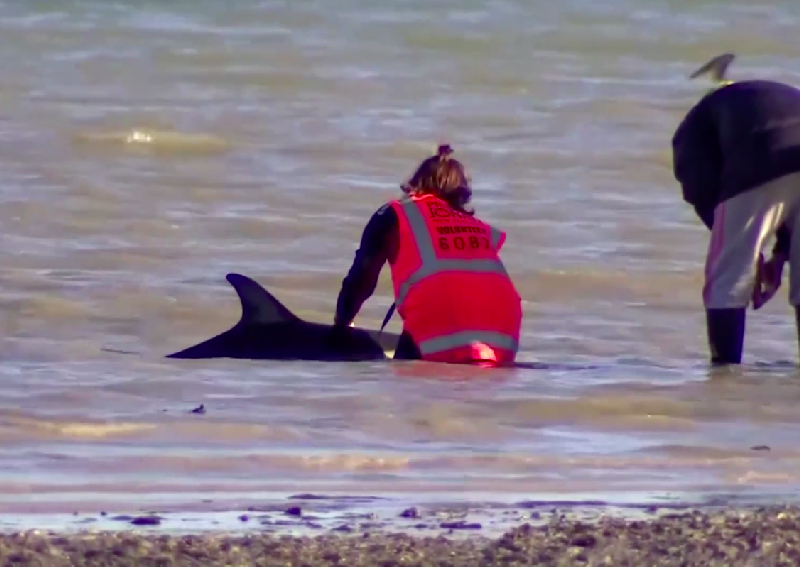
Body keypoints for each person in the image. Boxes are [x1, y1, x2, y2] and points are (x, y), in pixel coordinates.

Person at [332, 144, 523, 366]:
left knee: (405, 385)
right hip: (503, 340)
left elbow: (362, 276)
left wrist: (341, 326)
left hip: (439, 331)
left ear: (416, 184)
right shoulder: (477, 226)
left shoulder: (395, 213)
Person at [671, 53, 800, 365]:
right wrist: (780, 255)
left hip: (763, 150)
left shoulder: (693, 128)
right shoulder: (765, 97)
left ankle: (724, 376)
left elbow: (700, 188)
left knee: (728, 278)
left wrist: (749, 253)